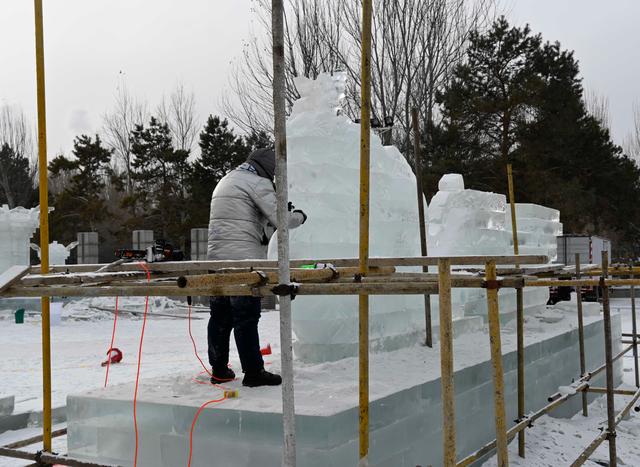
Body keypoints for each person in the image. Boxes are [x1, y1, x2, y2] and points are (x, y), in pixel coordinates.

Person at [207, 148, 307, 387]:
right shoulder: (257, 182)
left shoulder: (227, 179)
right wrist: (299, 216)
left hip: (216, 260)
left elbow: (244, 219)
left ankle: (219, 370)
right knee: (246, 316)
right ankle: (253, 372)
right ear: (268, 170)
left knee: (220, 317)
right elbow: (280, 219)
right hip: (243, 262)